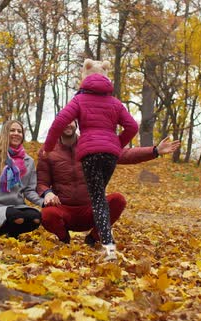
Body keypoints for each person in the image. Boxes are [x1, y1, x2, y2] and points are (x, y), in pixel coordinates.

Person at [41, 59, 139, 261]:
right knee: (99, 198)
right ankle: (102, 243)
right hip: (110, 156)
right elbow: (132, 127)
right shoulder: (114, 102)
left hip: (90, 155)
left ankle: (109, 248)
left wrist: (48, 147)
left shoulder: (79, 100)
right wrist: (116, 144)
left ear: (85, 75)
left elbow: (59, 121)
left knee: (98, 200)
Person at [38, 120, 180, 249]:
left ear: (76, 123)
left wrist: (154, 151)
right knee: (46, 213)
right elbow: (42, 182)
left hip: (92, 209)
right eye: (64, 121)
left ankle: (93, 238)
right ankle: (64, 239)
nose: (67, 124)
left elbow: (123, 154)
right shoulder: (48, 150)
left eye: (71, 121)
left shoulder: (91, 144)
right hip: (64, 210)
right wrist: (47, 192)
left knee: (118, 200)